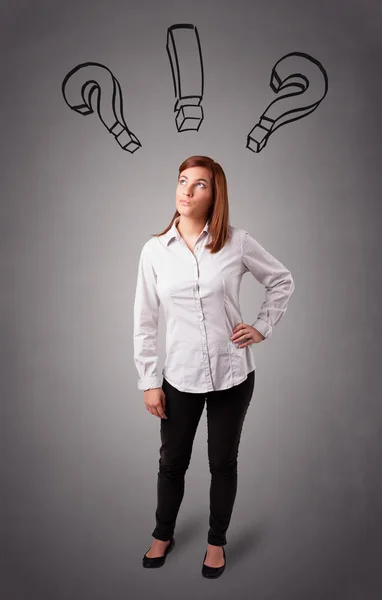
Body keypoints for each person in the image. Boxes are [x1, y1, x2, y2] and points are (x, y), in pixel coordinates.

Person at [133, 155, 295, 578]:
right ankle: (162, 534)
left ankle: (216, 541)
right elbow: (144, 320)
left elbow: (281, 280)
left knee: (222, 462)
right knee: (172, 462)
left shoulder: (236, 242)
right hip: (180, 377)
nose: (186, 191)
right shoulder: (154, 251)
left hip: (232, 374)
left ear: (215, 194)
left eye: (199, 184)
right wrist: (150, 381)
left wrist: (262, 326)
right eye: (182, 181)